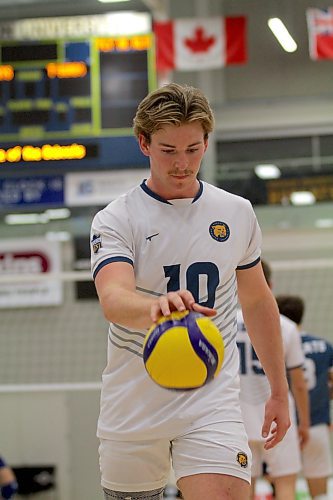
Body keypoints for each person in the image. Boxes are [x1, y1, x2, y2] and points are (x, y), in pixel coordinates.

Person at [90, 82, 291, 500]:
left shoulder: (236, 212)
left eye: (193, 149)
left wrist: (278, 390)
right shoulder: (117, 219)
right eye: (168, 150)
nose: (182, 164)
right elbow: (113, 300)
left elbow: (256, 300)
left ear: (206, 142)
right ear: (143, 143)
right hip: (134, 399)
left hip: (210, 396)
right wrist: (154, 307)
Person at [236, 260, 310, 500]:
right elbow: (298, 383)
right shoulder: (287, 326)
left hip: (237, 417)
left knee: (244, 484)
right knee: (285, 483)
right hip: (279, 417)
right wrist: (305, 423)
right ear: (270, 284)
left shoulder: (225, 323)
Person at [276, 294, 333, 500]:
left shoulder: (274, 345)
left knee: (282, 483)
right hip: (316, 424)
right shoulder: (325, 346)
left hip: (283, 426)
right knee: (320, 493)